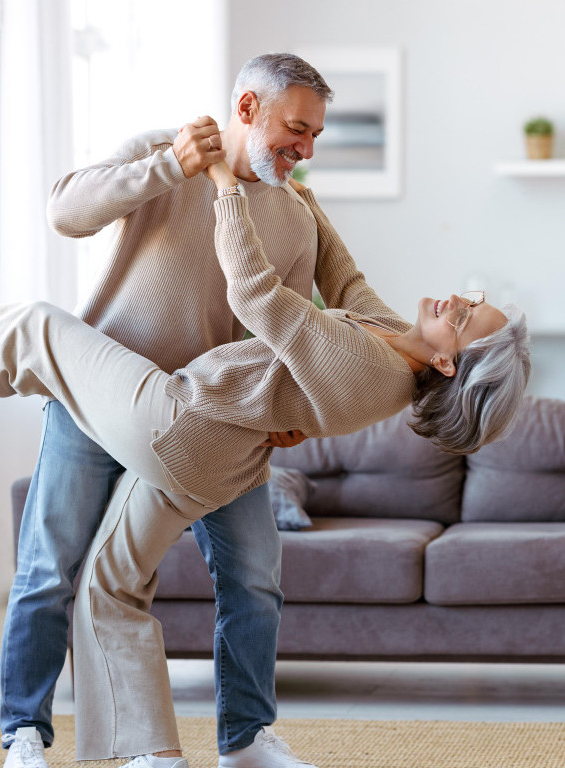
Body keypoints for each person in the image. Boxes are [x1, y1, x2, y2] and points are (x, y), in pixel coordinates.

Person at [0, 159, 532, 768]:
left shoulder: (368, 368)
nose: (456, 300)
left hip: (179, 423)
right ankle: (153, 752)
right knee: (111, 583)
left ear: (445, 360)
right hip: (222, 453)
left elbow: (256, 294)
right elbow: (342, 276)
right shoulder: (388, 340)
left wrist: (226, 189)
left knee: (35, 329)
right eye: (471, 300)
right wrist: (306, 201)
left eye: (465, 318)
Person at [29, 52, 335, 768]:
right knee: (51, 568)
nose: (306, 149)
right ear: (248, 110)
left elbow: (279, 332)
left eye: (317, 135)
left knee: (256, 572)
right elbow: (65, 212)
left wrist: (285, 403)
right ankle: (25, 735)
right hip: (96, 396)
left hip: (208, 423)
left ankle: (246, 740)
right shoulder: (158, 151)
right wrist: (167, 165)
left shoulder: (294, 219)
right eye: (296, 128)